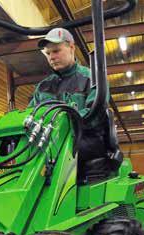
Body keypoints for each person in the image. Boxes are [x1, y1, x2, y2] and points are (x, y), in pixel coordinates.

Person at [30, 28, 111, 170]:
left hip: (85, 140)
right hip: (51, 142)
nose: (51, 57)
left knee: (55, 155)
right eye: (48, 53)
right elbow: (30, 114)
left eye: (56, 51)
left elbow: (96, 114)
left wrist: (62, 122)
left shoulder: (92, 78)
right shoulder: (42, 87)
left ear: (72, 47)